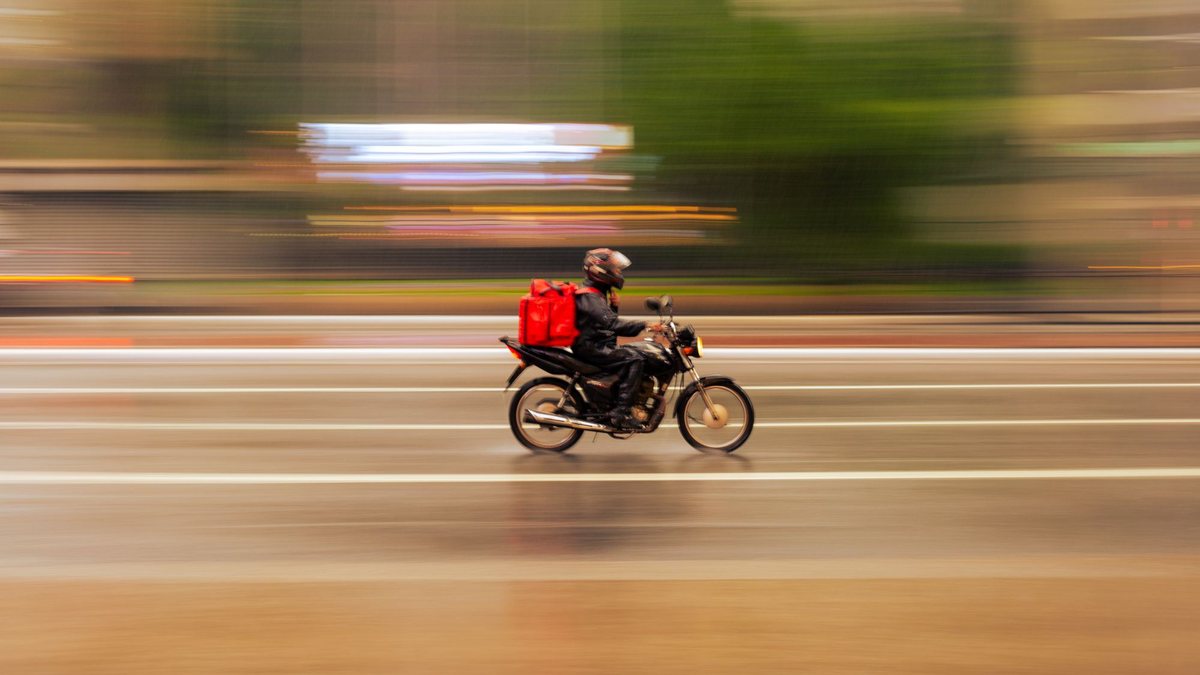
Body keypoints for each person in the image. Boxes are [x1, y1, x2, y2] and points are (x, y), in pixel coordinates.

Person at [572, 248, 662, 430]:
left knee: (636, 352)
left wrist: (614, 307)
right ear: (600, 271)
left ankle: (617, 399)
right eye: (614, 268)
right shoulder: (590, 296)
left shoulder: (596, 294)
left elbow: (604, 323)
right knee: (635, 359)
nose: (618, 272)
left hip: (594, 343)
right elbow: (613, 324)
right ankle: (620, 413)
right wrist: (646, 325)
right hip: (591, 347)